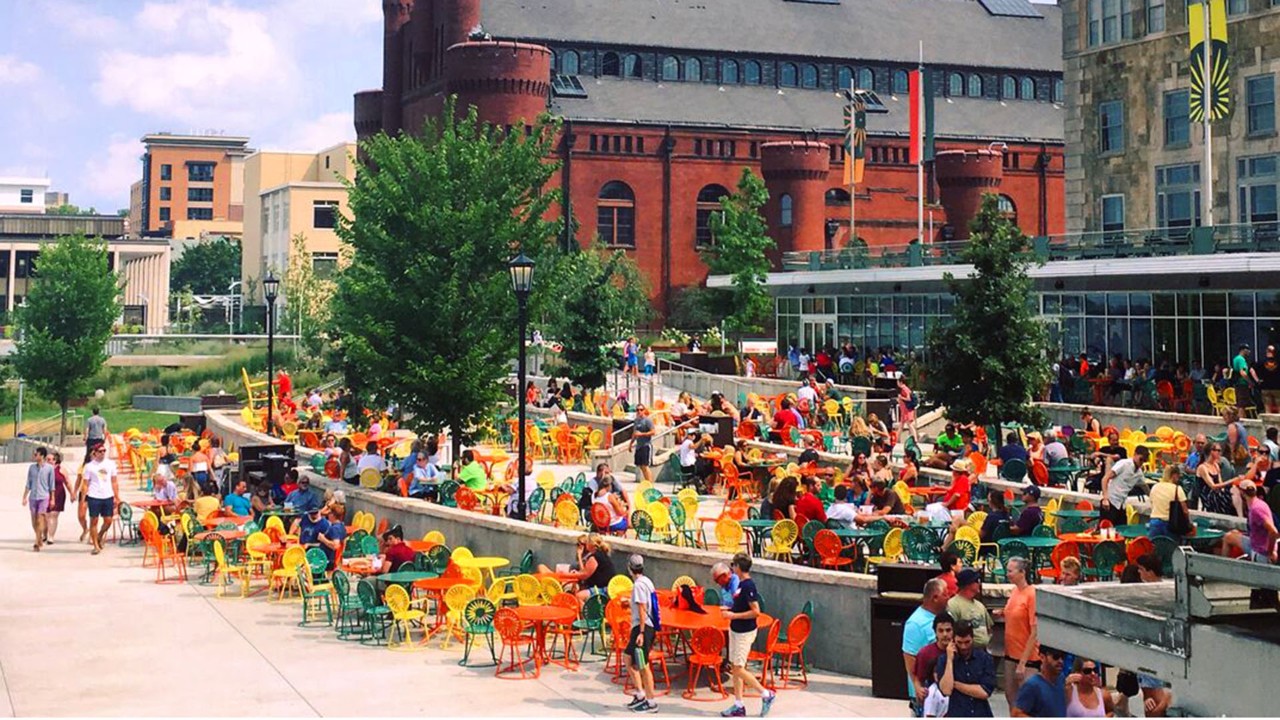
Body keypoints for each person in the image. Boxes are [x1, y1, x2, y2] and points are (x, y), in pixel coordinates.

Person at [720, 553, 776, 717]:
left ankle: (766, 694)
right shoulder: (739, 585)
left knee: (738, 668)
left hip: (745, 632)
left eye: (733, 565)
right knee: (736, 668)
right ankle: (738, 704)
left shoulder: (749, 586)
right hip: (735, 629)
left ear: (737, 566)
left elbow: (755, 612)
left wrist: (733, 616)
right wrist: (730, 612)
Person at [996, 556, 1039, 708]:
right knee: (1011, 697)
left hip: (1027, 658)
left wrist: (1023, 663)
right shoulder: (1014, 591)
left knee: (1026, 702)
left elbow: (1035, 631)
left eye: (1010, 571)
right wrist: (1001, 613)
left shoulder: (1032, 594)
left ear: (1022, 572)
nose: (1007, 574)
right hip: (1010, 654)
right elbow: (1014, 613)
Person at [903, 578, 949, 714]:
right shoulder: (915, 624)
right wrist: (917, 686)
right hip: (926, 692)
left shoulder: (944, 617)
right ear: (935, 597)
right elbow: (909, 658)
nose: (949, 597)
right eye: (945, 594)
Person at [623, 554, 660, 714]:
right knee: (628, 658)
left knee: (643, 666)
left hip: (642, 628)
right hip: (643, 627)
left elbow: (642, 608)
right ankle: (640, 693)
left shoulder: (638, 585)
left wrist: (642, 633)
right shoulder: (647, 581)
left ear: (629, 568)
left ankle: (651, 702)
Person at [937, 619, 997, 717]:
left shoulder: (985, 659)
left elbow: (984, 692)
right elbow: (946, 690)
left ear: (972, 638)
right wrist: (949, 660)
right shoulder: (944, 660)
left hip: (980, 713)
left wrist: (955, 684)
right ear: (953, 640)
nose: (963, 647)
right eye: (959, 642)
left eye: (967, 642)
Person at [1223, 480, 1279, 563]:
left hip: (1260, 552)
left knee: (1228, 537)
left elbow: (1273, 531)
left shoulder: (1255, 510)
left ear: (1242, 493)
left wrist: (1270, 552)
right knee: (1229, 536)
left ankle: (1223, 569)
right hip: (1255, 542)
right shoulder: (1259, 503)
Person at [913, 613, 954, 717]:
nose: (945, 634)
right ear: (935, 632)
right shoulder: (925, 653)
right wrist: (918, 688)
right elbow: (917, 677)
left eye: (948, 630)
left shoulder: (960, 651)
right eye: (941, 631)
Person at [82, 443, 120, 555]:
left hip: (108, 495)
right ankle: (95, 545)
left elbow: (114, 481)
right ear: (95, 453)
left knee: (108, 520)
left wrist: (117, 496)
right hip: (94, 495)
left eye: (104, 451)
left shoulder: (110, 464)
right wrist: (84, 499)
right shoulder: (89, 466)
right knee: (94, 520)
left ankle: (100, 535)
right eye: (100, 451)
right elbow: (85, 484)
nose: (102, 453)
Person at [1098, 444, 1150, 525]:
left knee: (1121, 531)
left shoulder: (1139, 473)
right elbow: (1105, 479)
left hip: (1121, 504)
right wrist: (1105, 498)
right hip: (1111, 501)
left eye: (1144, 461)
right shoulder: (1124, 464)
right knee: (1106, 531)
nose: (1142, 463)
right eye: (1141, 459)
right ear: (1135, 455)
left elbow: (1145, 487)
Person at [1012, 646, 1067, 717]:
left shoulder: (1061, 679)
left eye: (1063, 657)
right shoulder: (1033, 685)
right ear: (1042, 657)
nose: (1060, 661)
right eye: (1055, 657)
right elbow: (1016, 714)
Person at [946, 569, 993, 650]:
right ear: (968, 584)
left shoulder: (979, 605)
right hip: (964, 652)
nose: (979, 583)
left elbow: (989, 628)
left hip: (983, 653)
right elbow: (951, 632)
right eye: (977, 581)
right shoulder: (953, 604)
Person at [21, 447, 54, 551]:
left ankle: (36, 541)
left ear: (42, 456)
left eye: (36, 454)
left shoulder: (49, 468)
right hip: (33, 497)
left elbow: (51, 485)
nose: (34, 456)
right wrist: (24, 497)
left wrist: (52, 498)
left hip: (44, 496)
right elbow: (28, 483)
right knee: (34, 520)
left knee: (40, 518)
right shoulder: (32, 468)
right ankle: (39, 537)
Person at [1148, 464, 1189, 539]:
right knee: (1171, 547)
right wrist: (1188, 525)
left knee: (1154, 547)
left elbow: (1152, 504)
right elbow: (1185, 511)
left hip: (1154, 522)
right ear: (1174, 475)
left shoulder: (1155, 487)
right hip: (1170, 524)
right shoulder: (1177, 489)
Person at [45, 451, 71, 544]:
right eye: (47, 459)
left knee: (53, 515)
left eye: (50, 459)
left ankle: (50, 536)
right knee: (46, 515)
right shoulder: (43, 469)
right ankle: (45, 533)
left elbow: (67, 482)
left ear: (55, 460)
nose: (48, 461)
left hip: (59, 494)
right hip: (45, 494)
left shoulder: (61, 470)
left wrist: (72, 493)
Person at [629, 405, 656, 485]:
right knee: (640, 466)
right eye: (637, 410)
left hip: (646, 445)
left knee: (645, 465)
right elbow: (634, 433)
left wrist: (642, 434)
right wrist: (631, 444)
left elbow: (653, 432)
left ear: (644, 410)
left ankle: (650, 484)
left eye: (641, 410)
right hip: (639, 446)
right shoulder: (636, 421)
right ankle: (647, 482)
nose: (639, 411)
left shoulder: (647, 421)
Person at [315, 503, 347, 569]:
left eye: (329, 513)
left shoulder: (335, 529)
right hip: (332, 558)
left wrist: (322, 539)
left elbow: (335, 545)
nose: (328, 515)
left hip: (327, 559)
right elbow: (344, 541)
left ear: (333, 515)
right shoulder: (342, 526)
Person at [897, 376, 919, 442]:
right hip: (904, 410)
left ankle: (915, 439)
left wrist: (901, 397)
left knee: (909, 424)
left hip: (906, 410)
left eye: (898, 382)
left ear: (900, 382)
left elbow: (908, 398)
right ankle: (897, 439)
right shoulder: (905, 388)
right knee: (902, 425)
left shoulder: (904, 389)